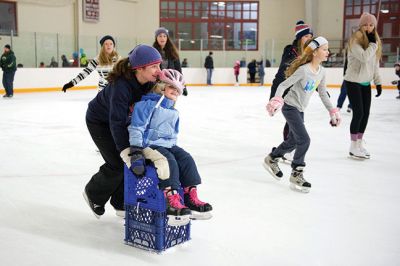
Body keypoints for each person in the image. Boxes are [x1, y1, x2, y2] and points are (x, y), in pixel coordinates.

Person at [82, 44, 162, 219]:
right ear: (139, 68)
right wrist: (126, 150)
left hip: (121, 121)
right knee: (117, 162)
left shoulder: (148, 82)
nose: (158, 70)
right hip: (99, 121)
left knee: (128, 163)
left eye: (159, 65)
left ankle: (120, 202)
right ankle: (93, 193)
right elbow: (116, 122)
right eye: (154, 66)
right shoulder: (121, 87)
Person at [128, 69, 212, 223]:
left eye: (178, 90)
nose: (176, 92)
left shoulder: (173, 110)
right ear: (161, 86)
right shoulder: (147, 104)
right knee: (168, 161)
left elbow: (172, 135)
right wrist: (136, 151)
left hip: (167, 145)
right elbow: (136, 128)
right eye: (172, 87)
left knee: (186, 159)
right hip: (149, 144)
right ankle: (171, 199)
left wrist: (175, 149)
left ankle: (189, 196)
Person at [264, 37, 341, 193]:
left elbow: (323, 94)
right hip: (290, 107)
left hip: (300, 109)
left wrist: (332, 110)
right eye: (324, 49)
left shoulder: (322, 72)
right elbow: (283, 84)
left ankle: (272, 158)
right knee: (304, 140)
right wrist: (277, 99)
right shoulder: (304, 70)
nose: (328, 52)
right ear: (314, 52)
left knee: (293, 141)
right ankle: (297, 172)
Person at [269, 20, 313, 163]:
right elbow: (281, 73)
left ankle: (285, 149)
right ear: (300, 37)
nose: (309, 39)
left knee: (295, 123)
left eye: (311, 37)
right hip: (286, 91)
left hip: (299, 94)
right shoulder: (290, 50)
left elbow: (310, 73)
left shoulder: (309, 53)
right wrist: (274, 97)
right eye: (306, 36)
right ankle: (286, 150)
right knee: (294, 123)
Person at [343, 12, 382, 159]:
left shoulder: (375, 42)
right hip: (353, 81)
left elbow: (375, 64)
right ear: (360, 26)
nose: (368, 27)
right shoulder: (355, 41)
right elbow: (365, 58)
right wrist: (373, 44)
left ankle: (359, 143)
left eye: (371, 24)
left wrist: (378, 83)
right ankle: (353, 146)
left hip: (366, 82)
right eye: (365, 24)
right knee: (358, 113)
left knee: (366, 114)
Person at [153, 27, 187, 96]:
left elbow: (178, 70)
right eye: (160, 36)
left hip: (171, 83)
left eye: (164, 36)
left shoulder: (173, 52)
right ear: (156, 38)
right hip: (158, 84)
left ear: (167, 38)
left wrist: (183, 85)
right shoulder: (152, 52)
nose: (162, 38)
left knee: (170, 103)